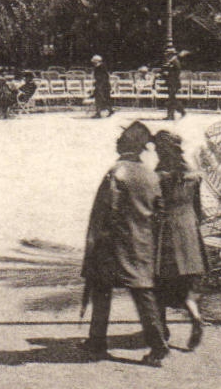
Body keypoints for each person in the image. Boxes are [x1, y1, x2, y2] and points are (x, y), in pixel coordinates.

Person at [81, 121, 167, 366]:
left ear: (127, 144)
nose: (116, 142)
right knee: (142, 293)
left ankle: (98, 341)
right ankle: (155, 344)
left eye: (121, 139)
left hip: (114, 244)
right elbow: (160, 210)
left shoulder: (117, 172)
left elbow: (107, 210)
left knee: (101, 289)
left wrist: (97, 242)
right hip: (142, 241)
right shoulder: (150, 174)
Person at [152, 130, 206, 352]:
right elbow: (199, 209)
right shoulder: (193, 175)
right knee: (186, 284)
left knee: (158, 282)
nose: (155, 152)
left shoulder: (159, 176)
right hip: (189, 231)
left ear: (163, 150)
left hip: (167, 233)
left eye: (157, 148)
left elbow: (154, 208)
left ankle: (162, 332)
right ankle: (195, 316)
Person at [160, 48, 186, 120]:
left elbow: (177, 72)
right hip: (171, 83)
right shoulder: (171, 62)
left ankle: (179, 112)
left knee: (171, 99)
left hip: (174, 83)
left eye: (168, 54)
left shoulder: (175, 61)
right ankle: (172, 115)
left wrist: (168, 74)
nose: (166, 55)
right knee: (171, 99)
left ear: (171, 54)